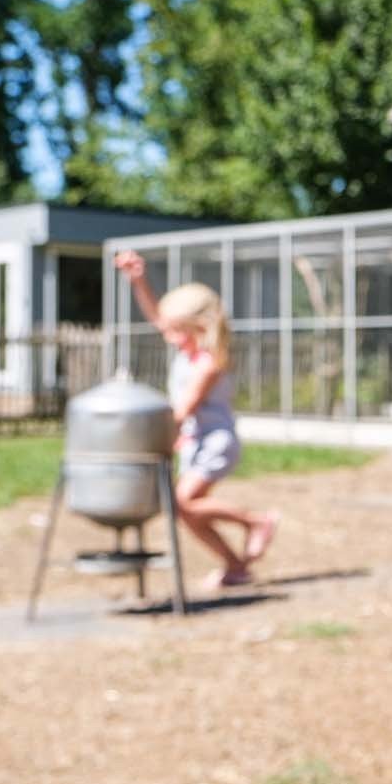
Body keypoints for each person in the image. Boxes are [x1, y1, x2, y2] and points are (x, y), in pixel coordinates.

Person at [113, 249, 279, 591]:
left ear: (198, 327)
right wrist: (138, 279)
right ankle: (235, 567)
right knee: (185, 511)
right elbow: (158, 317)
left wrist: (144, 435)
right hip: (195, 441)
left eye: (176, 330)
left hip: (215, 442)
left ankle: (256, 522)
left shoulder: (208, 363)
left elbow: (184, 408)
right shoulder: (188, 351)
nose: (167, 334)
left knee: (182, 502)